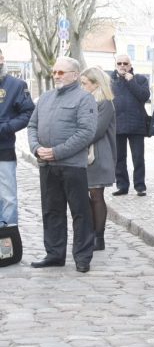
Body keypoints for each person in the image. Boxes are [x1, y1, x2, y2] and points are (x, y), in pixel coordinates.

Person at [27, 56, 98, 272]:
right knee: (51, 210)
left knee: (80, 211)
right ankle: (55, 254)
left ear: (75, 75)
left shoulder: (84, 99)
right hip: (46, 165)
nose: (56, 75)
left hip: (72, 165)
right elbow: (32, 125)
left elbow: (86, 132)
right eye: (54, 72)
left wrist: (56, 152)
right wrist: (36, 148)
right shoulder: (46, 98)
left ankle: (83, 257)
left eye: (61, 72)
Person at [80, 67, 117, 252]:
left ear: (96, 84)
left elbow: (96, 130)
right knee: (85, 196)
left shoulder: (105, 103)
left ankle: (99, 237)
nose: (82, 86)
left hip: (99, 155)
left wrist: (75, 139)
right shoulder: (85, 100)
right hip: (84, 155)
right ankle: (90, 233)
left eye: (85, 83)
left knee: (96, 196)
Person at [0, 47, 35, 226]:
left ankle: (7, 243)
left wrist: (6, 128)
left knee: (7, 198)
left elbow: (28, 113)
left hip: (3, 150)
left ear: (2, 58)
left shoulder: (16, 85)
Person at [110, 54, 150, 196]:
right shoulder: (111, 80)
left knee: (138, 157)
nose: (122, 66)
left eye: (125, 63)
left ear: (130, 65)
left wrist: (131, 81)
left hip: (136, 125)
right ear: (116, 65)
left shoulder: (140, 79)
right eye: (119, 63)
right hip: (117, 124)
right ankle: (122, 185)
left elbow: (144, 96)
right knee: (119, 158)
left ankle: (140, 186)